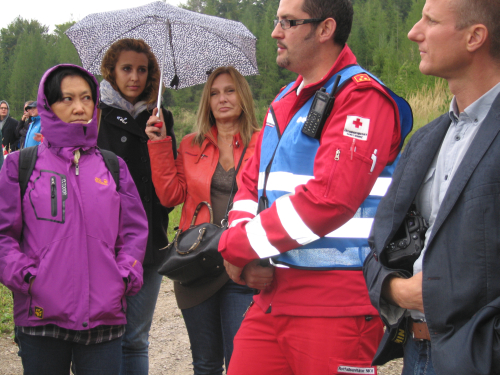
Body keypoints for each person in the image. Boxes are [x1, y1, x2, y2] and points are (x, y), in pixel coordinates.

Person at [218, 0, 412, 373]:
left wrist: (235, 246)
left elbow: (330, 199)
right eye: (277, 21)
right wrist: (243, 250)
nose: (275, 32)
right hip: (271, 298)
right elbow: (249, 186)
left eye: (287, 22)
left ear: (324, 30)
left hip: (337, 307)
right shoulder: (284, 101)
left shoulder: (363, 97)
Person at [363, 0, 500, 374]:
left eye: (431, 20)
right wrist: (394, 289)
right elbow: (376, 245)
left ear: (475, 37)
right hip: (417, 353)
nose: (413, 32)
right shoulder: (424, 141)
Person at [0, 64, 148, 375]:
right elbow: (3, 236)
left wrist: (124, 276)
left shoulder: (113, 167)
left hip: (103, 317)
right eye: (66, 99)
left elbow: (134, 231)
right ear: (47, 106)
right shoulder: (19, 166)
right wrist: (28, 277)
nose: (79, 107)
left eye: (85, 98)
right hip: (41, 317)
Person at [146, 66, 260, 375]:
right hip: (197, 263)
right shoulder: (189, 145)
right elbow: (171, 196)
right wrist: (159, 145)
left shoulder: (263, 142)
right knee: (205, 364)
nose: (222, 99)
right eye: (214, 93)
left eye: (229, 90)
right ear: (206, 102)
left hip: (242, 263)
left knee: (241, 362)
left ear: (243, 96)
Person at [97, 38, 177, 375]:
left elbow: (168, 187)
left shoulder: (160, 117)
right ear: (112, 72)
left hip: (149, 243)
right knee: (101, 335)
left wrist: (155, 141)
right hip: (104, 245)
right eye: (126, 68)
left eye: (142, 70)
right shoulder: (95, 116)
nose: (135, 77)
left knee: (135, 338)